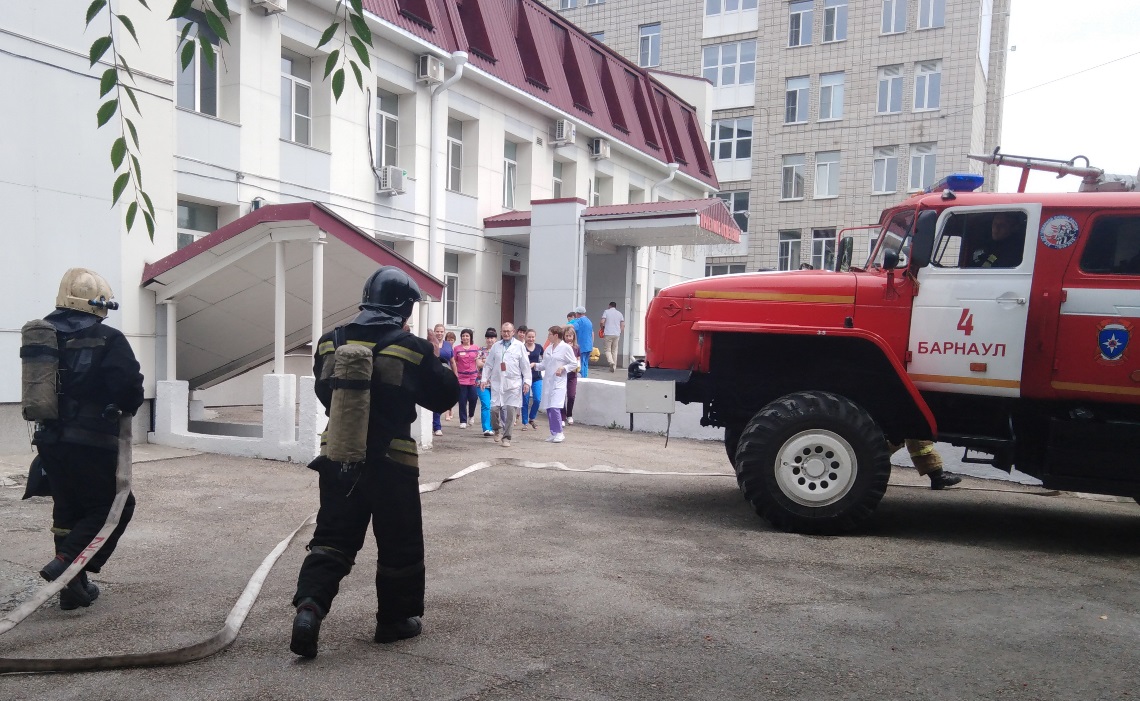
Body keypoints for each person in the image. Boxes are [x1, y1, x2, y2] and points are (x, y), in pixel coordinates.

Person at [291, 266, 459, 658]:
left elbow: (324, 392)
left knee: (332, 538)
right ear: (401, 306)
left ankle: (309, 608)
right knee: (399, 543)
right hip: (392, 460)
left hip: (338, 455)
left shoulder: (329, 342)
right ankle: (394, 621)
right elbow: (444, 397)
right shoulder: (411, 347)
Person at [31, 268, 144, 611]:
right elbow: (128, 386)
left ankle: (73, 589)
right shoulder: (107, 338)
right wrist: (125, 406)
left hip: (49, 440)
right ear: (96, 303)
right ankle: (67, 563)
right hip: (92, 441)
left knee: (67, 511)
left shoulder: (44, 338)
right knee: (114, 506)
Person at [479, 322, 530, 448]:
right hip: (497, 383)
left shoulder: (519, 346)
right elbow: (489, 365)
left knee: (510, 411)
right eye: (504, 331)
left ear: (513, 332)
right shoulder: (496, 346)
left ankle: (507, 437)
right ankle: (496, 429)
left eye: (509, 331)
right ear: (501, 332)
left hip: (513, 384)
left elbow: (525, 366)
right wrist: (484, 379)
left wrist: (527, 382)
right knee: (494, 410)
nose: (506, 333)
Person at [539, 325, 579, 443]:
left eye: (549, 334)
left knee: (555, 407)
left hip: (559, 382)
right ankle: (553, 432)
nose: (548, 336)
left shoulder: (566, 348)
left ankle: (560, 432)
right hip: (548, 382)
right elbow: (544, 365)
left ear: (556, 335)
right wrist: (534, 365)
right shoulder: (548, 349)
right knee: (549, 408)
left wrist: (563, 368)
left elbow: (574, 364)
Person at [452, 328, 481, 429]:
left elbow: (479, 361)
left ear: (470, 337)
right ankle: (463, 420)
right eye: (463, 336)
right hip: (461, 378)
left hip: (473, 377)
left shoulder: (476, 348)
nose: (465, 337)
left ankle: (471, 415)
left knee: (473, 398)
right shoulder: (457, 349)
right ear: (461, 337)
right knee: (462, 399)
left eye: (467, 336)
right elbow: (454, 361)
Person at [430, 324, 455, 436]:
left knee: (442, 399)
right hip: (433, 375)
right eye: (437, 331)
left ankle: (436, 422)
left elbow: (452, 361)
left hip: (446, 375)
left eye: (441, 332)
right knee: (435, 399)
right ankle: (437, 426)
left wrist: (456, 375)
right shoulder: (430, 344)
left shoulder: (448, 345)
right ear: (434, 332)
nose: (439, 334)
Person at [475, 328, 497, 437]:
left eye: (492, 338)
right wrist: (489, 364)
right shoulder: (481, 351)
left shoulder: (499, 350)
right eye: (488, 338)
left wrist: (485, 362)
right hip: (482, 383)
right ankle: (486, 428)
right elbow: (478, 364)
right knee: (486, 405)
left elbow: (501, 366)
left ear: (495, 339)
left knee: (495, 407)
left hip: (496, 384)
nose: (490, 340)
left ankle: (494, 427)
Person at [521, 329, 544, 430]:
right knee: (525, 401)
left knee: (537, 399)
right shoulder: (521, 347)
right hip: (524, 378)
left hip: (537, 377)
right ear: (525, 337)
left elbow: (545, 361)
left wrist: (537, 365)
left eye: (532, 337)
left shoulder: (539, 347)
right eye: (529, 337)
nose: (531, 339)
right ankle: (525, 422)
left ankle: (532, 418)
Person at [560, 324, 582, 426]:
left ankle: (569, 414)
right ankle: (562, 417)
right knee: (562, 396)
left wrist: (578, 367)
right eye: (567, 336)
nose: (569, 338)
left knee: (571, 395)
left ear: (574, 337)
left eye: (570, 336)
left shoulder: (576, 347)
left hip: (573, 374)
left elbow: (578, 359)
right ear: (564, 336)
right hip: (564, 374)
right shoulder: (562, 347)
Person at [599, 301, 625, 373]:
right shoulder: (619, 313)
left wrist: (602, 328)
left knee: (607, 350)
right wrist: (620, 331)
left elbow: (602, 322)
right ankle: (614, 367)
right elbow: (623, 325)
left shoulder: (606, 312)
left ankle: (611, 362)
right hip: (617, 334)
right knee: (614, 350)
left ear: (609, 305)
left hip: (608, 333)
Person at [570, 306, 595, 377]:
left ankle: (582, 378)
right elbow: (592, 333)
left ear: (577, 313)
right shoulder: (589, 321)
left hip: (581, 346)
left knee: (580, 363)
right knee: (585, 363)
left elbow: (572, 327)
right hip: (588, 346)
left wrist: (562, 327)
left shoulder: (579, 321)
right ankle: (585, 376)